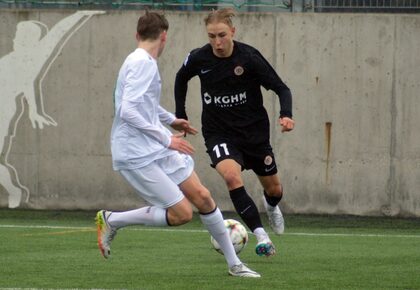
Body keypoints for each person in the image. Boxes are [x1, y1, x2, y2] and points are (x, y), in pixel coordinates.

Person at [95, 11, 260, 278]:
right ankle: (112, 220)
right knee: (182, 213)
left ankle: (235, 265)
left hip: (154, 145)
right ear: (164, 36)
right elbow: (127, 111)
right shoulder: (143, 64)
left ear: (137, 35)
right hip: (136, 152)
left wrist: (172, 120)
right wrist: (166, 139)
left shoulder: (138, 59)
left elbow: (143, 105)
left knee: (203, 197)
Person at [174, 8, 294, 257]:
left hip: (254, 134)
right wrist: (181, 115)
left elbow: (281, 88)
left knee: (274, 190)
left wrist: (286, 114)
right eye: (211, 36)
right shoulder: (199, 58)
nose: (217, 43)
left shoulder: (249, 57)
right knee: (231, 177)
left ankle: (271, 206)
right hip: (219, 133)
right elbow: (180, 78)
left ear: (232, 32)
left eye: (222, 35)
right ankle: (262, 236)